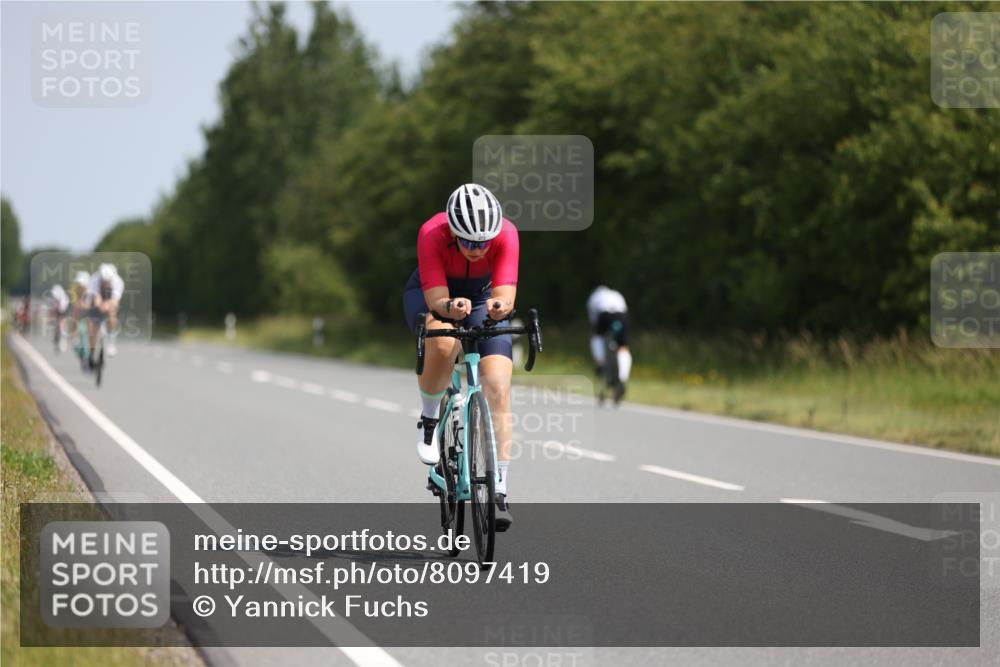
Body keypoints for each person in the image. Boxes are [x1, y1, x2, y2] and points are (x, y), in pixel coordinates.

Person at [403, 184, 518, 530]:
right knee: (443, 343)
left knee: (497, 386)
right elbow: (438, 299)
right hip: (434, 294)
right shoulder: (432, 233)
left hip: (481, 298)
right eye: (468, 242)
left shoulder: (507, 234)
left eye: (483, 243)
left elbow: (505, 294)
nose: (476, 249)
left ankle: (499, 488)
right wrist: (449, 306)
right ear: (453, 231)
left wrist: (500, 307)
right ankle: (429, 421)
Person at [587, 285, 632, 401]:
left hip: (605, 315)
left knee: (597, 338)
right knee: (623, 347)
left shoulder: (593, 297)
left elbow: (593, 322)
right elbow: (625, 310)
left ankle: (600, 362)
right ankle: (622, 377)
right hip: (621, 316)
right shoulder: (617, 294)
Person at [87, 263, 124, 361]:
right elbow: (96, 298)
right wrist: (100, 305)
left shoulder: (118, 282)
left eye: (108, 281)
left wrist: (107, 305)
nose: (105, 283)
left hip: (110, 298)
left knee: (112, 312)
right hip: (97, 298)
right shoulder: (94, 279)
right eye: (104, 281)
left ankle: (111, 342)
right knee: (93, 327)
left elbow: (115, 301)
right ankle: (91, 351)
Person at [48, 284, 71, 351]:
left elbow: (62, 311)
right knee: (57, 324)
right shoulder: (55, 298)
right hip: (59, 311)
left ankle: (62, 338)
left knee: (61, 324)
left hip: (63, 311)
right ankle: (57, 337)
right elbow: (53, 310)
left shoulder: (64, 299)